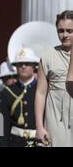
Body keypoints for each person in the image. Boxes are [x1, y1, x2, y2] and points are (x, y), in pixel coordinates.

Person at [35, 10, 73, 146]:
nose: (65, 35)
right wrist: (39, 127)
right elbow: (40, 93)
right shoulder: (47, 57)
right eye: (61, 31)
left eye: (70, 31)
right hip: (56, 116)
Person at [0, 47, 38, 147]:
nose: (23, 66)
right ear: (15, 67)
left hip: (38, 141)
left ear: (34, 66)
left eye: (27, 63)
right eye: (20, 64)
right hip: (15, 142)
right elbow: (3, 123)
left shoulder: (41, 90)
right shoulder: (7, 91)